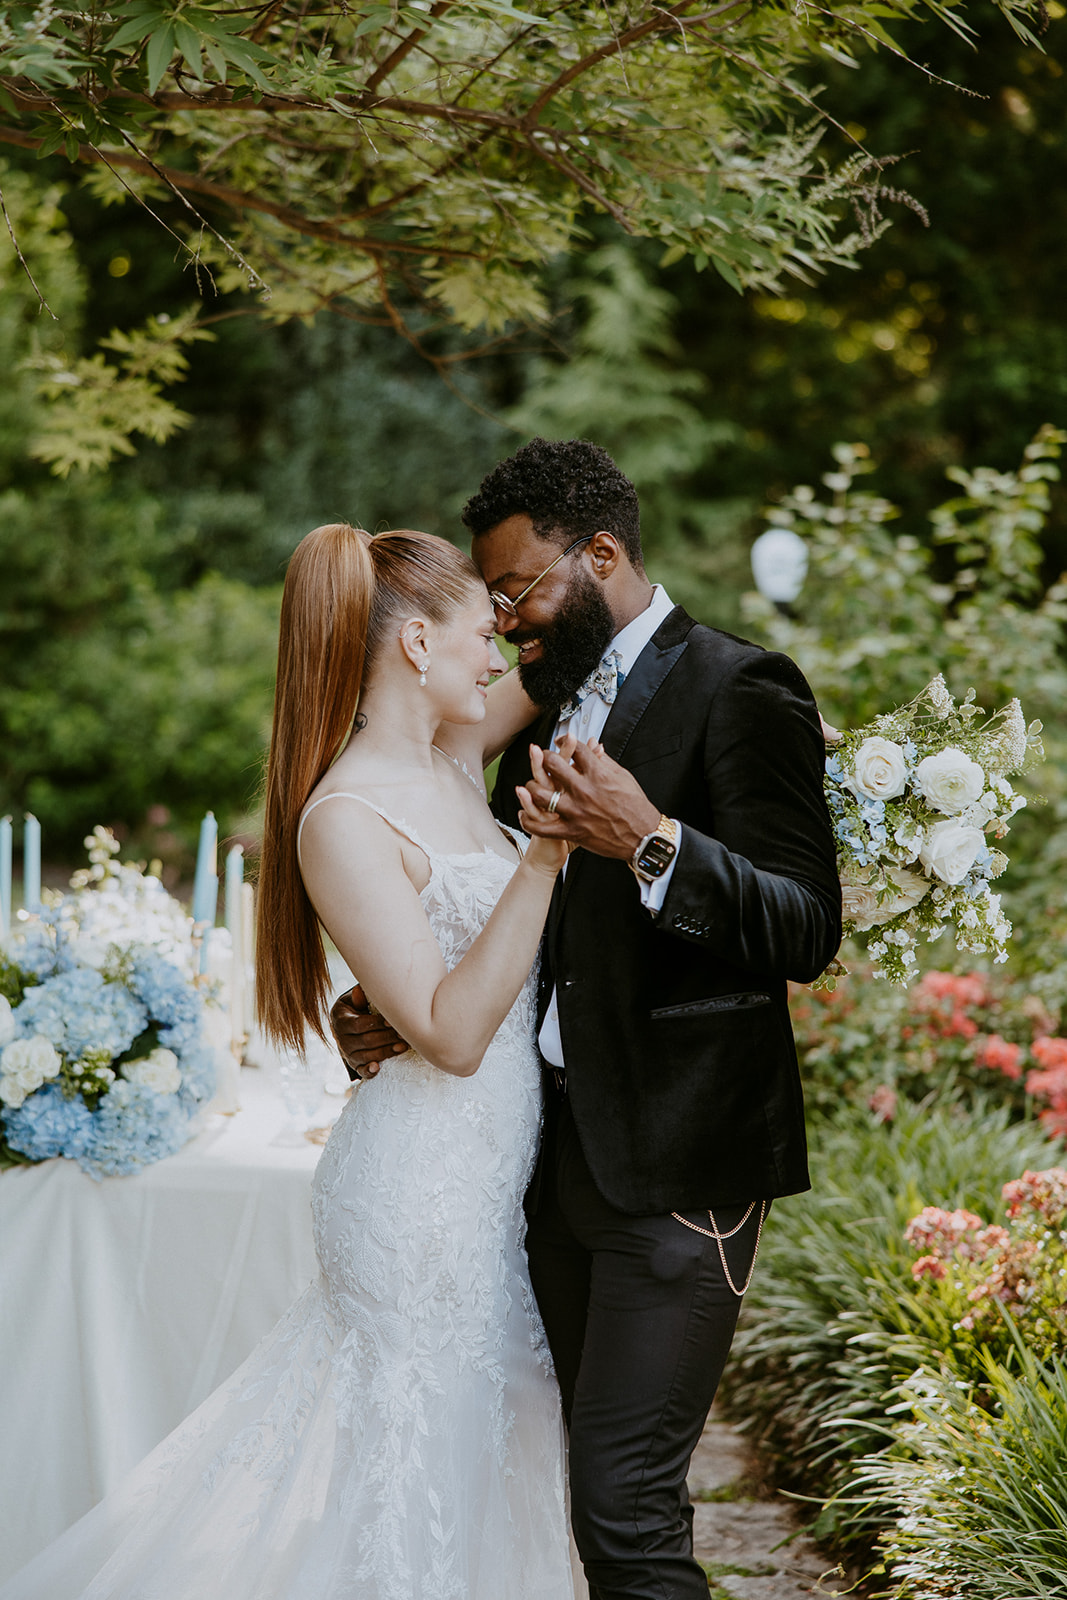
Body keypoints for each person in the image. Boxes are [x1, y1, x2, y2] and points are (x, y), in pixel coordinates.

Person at [0, 525, 582, 1600]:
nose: (497, 653)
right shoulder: (344, 817)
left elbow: (572, 654)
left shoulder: (452, 761)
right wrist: (543, 857)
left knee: (482, 1463)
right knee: (409, 1485)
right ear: (414, 643)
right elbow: (451, 1034)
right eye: (476, 631)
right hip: (415, 1206)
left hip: (488, 1199)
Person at [333, 439, 843, 1600]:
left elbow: (804, 928)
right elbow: (507, 898)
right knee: (571, 1488)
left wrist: (652, 838)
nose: (507, 620)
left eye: (518, 588)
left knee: (622, 1508)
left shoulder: (741, 684)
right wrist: (385, 1003)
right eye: (495, 599)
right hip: (547, 1169)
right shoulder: (541, 704)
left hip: (682, 1168)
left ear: (600, 552)